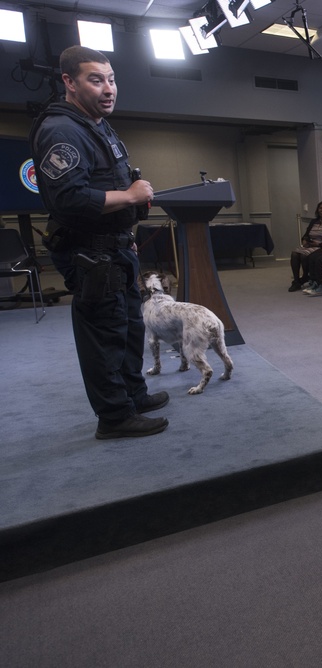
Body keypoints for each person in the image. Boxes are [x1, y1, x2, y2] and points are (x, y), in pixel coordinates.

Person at [28, 45, 168, 439]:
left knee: (127, 327)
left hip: (116, 247)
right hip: (90, 252)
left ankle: (133, 395)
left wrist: (126, 233)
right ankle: (115, 417)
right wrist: (132, 197)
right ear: (69, 83)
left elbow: (109, 182)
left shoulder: (97, 125)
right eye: (96, 80)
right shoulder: (62, 130)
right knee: (103, 334)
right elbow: (68, 198)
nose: (108, 89)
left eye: (111, 79)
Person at [287, 201, 322, 291]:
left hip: (321, 246)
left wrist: (318, 244)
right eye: (320, 208)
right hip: (310, 244)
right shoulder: (314, 221)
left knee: (304, 255)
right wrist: (304, 240)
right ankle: (296, 281)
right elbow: (306, 235)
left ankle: (305, 277)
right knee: (295, 254)